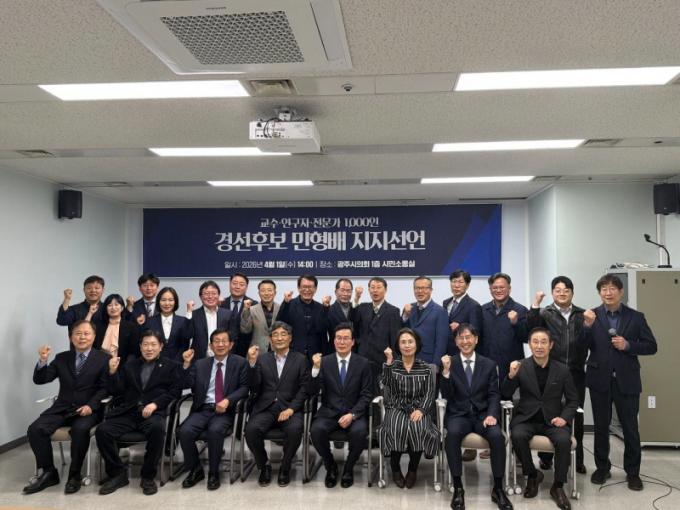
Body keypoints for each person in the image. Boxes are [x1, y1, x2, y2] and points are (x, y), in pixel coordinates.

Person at [583, 274, 657, 491]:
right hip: (599, 380)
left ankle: (633, 473)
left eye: (612, 288)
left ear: (621, 292)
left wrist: (629, 345)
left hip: (627, 380)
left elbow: (651, 346)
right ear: (599, 293)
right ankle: (602, 468)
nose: (608, 292)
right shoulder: (591, 316)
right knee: (600, 427)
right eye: (604, 289)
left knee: (630, 428)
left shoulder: (636, 317)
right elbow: (581, 346)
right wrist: (586, 326)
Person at [24, 320, 109, 495]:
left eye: (86, 333)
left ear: (94, 337)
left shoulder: (103, 359)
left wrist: (91, 405)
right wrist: (43, 360)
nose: (82, 337)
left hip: (88, 410)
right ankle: (49, 472)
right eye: (78, 333)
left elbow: (105, 388)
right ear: (71, 337)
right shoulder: (62, 358)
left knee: (79, 430)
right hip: (62, 408)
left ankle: (74, 475)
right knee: (35, 429)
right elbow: (41, 379)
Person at [95, 330, 182, 496]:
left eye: (153, 344)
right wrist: (112, 372)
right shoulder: (130, 365)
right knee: (102, 431)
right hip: (129, 412)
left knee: (157, 429)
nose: (149, 348)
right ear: (140, 346)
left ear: (161, 346)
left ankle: (148, 476)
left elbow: (175, 392)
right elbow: (117, 391)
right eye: (145, 344)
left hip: (153, 413)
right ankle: (118, 474)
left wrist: (155, 404)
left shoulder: (171, 366)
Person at [501, 328, 578, 510]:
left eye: (544, 342)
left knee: (563, 440)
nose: (539, 346)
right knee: (517, 435)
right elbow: (505, 393)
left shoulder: (562, 369)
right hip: (527, 418)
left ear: (551, 345)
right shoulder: (521, 366)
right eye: (535, 342)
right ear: (529, 345)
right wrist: (511, 376)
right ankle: (533, 475)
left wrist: (564, 418)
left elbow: (573, 400)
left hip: (553, 420)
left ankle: (558, 486)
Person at [440, 324, 513, 510]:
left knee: (497, 436)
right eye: (461, 338)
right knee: (452, 435)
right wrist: (446, 373)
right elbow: (446, 395)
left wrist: (491, 414)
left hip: (483, 415)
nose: (465, 341)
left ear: (476, 339)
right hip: (459, 415)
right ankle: (458, 488)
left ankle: (498, 488)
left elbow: (494, 394)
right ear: (456, 341)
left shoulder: (488, 364)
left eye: (468, 337)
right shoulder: (450, 363)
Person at [528, 276, 588, 473]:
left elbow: (589, 340)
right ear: (552, 292)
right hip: (551, 372)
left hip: (576, 372)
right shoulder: (545, 313)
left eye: (566, 290)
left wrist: (589, 324)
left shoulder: (582, 314)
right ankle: (546, 458)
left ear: (572, 293)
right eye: (558, 290)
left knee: (576, 416)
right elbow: (531, 328)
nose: (562, 293)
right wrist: (535, 304)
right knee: (549, 413)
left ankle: (577, 459)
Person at [178, 329, 249, 491]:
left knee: (215, 430)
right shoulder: (200, 364)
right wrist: (186, 364)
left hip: (225, 411)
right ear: (210, 345)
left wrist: (228, 400)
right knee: (184, 431)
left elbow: (244, 388)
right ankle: (195, 469)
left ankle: (213, 472)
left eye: (224, 341)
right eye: (216, 341)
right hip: (203, 409)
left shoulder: (240, 363)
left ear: (231, 345)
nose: (220, 344)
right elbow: (185, 384)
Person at [245, 321, 310, 487]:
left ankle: (285, 467)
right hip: (266, 408)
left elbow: (304, 389)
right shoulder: (262, 359)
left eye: (283, 334)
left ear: (290, 338)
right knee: (251, 430)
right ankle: (264, 465)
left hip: (289, 408)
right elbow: (253, 387)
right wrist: (251, 364)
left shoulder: (301, 359)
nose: (279, 338)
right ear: (270, 339)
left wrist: (291, 409)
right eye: (275, 335)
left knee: (294, 430)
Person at [309, 323, 373, 488]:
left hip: (354, 412)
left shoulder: (363, 363)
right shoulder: (324, 362)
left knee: (360, 432)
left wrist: (353, 414)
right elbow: (313, 391)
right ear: (334, 341)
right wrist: (315, 369)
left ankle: (348, 468)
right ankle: (330, 465)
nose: (342, 342)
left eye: (346, 338)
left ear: (352, 342)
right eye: (338, 338)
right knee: (316, 430)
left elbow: (367, 394)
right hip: (329, 411)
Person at [380, 328, 439, 489]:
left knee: (418, 428)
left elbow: (429, 394)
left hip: (418, 408)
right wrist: (389, 362)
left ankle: (413, 470)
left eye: (410, 342)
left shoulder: (425, 368)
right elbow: (386, 384)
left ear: (416, 344)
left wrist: (421, 410)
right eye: (403, 342)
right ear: (398, 346)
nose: (407, 345)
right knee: (396, 428)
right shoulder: (393, 365)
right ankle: (395, 468)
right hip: (396, 407)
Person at [443, 269, 483, 462]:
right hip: (449, 357)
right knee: (451, 396)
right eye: (454, 281)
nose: (456, 285)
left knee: (467, 394)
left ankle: (470, 447)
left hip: (465, 357)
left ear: (467, 285)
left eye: (460, 282)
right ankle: (452, 436)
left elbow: (475, 331)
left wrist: (459, 328)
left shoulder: (473, 305)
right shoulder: (446, 303)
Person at [351, 277, 401, 394]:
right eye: (372, 287)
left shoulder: (393, 311)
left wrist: (393, 362)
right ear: (369, 290)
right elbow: (352, 321)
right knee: (362, 392)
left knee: (380, 395)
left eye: (379, 287)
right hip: (363, 359)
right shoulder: (362, 307)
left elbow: (395, 339)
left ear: (385, 290)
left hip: (382, 360)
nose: (375, 290)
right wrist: (356, 298)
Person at [480, 272, 527, 383]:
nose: (498, 290)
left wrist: (515, 323)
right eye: (495, 288)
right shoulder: (482, 310)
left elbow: (526, 338)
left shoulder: (520, 310)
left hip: (511, 366)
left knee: (510, 393)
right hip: (487, 365)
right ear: (490, 290)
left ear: (509, 289)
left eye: (502, 287)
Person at [277, 275, 331, 359]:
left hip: (315, 356)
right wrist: (286, 303)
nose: (307, 290)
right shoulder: (289, 305)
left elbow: (324, 329)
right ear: (299, 288)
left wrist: (326, 309)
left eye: (310, 287)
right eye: (304, 287)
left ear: (315, 289)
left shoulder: (321, 308)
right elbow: (279, 324)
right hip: (293, 354)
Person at [401, 276, 449, 365]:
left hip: (428, 361)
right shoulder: (409, 308)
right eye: (417, 288)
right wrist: (405, 316)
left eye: (423, 288)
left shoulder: (440, 311)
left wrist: (435, 365)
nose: (420, 291)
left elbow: (441, 343)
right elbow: (402, 332)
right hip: (408, 360)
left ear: (430, 290)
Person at [187, 280, 236, 359]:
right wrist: (189, 312)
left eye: (214, 293)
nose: (210, 297)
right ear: (200, 296)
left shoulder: (228, 314)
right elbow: (187, 335)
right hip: (200, 360)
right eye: (206, 294)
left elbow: (233, 338)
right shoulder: (194, 315)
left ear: (218, 295)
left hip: (224, 358)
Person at [145, 287, 193, 362]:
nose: (167, 303)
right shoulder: (150, 322)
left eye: (170, 300)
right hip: (155, 363)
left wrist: (189, 312)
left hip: (178, 364)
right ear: (158, 302)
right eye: (163, 300)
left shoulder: (183, 321)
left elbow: (185, 343)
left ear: (175, 302)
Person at [219, 272, 258, 356]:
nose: (237, 287)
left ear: (246, 287)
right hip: (223, 349)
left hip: (246, 350)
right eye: (234, 283)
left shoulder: (254, 304)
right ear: (229, 284)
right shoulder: (220, 304)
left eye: (241, 284)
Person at [95, 293, 140, 364]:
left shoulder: (131, 327)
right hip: (100, 364)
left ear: (122, 308)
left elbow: (134, 351)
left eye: (116, 304)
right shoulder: (99, 326)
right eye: (110, 305)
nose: (113, 308)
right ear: (106, 308)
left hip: (122, 365)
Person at [240, 279, 280, 352]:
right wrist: (246, 310)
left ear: (275, 293)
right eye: (263, 290)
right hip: (257, 352)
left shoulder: (281, 309)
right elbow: (245, 330)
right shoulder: (251, 309)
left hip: (277, 351)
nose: (266, 293)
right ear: (259, 293)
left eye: (269, 290)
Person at [326, 279, 362, 354]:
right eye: (342, 290)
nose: (345, 294)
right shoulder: (329, 309)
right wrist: (325, 308)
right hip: (334, 351)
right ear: (336, 292)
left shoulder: (357, 308)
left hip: (354, 352)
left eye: (348, 291)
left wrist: (357, 297)